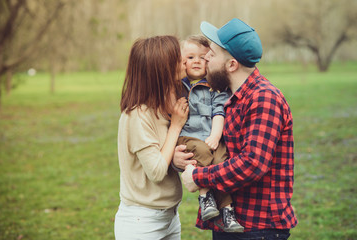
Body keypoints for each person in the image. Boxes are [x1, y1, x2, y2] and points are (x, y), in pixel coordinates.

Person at [175, 18, 298, 239]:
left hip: (257, 227)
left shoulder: (263, 98)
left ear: (231, 65)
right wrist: (181, 158)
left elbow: (252, 164)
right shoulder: (227, 96)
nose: (206, 58)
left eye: (211, 54)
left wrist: (199, 177)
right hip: (230, 223)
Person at [114, 35, 190, 240]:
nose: (184, 60)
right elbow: (156, 171)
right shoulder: (137, 115)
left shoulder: (167, 103)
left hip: (170, 217)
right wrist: (175, 126)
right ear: (161, 69)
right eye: (177, 57)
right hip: (142, 222)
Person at [177, 35, 243, 232]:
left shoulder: (215, 86)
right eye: (190, 58)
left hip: (210, 136)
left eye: (202, 57)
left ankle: (227, 212)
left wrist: (215, 135)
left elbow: (218, 112)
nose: (196, 61)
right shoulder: (177, 87)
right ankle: (205, 196)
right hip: (189, 138)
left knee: (222, 159)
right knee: (203, 153)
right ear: (181, 62)